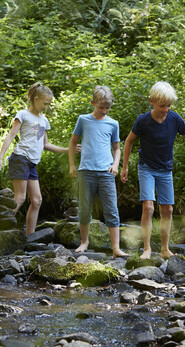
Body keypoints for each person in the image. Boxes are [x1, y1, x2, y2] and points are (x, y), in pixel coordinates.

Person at [121, 81, 185, 259]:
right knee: (148, 206)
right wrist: (125, 166)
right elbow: (129, 141)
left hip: (165, 170)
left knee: (167, 209)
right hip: (147, 168)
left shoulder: (175, 119)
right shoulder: (143, 120)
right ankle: (147, 249)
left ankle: (165, 248)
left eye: (169, 105)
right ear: (151, 101)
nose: (166, 109)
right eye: (162, 106)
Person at [0, 82, 73, 235]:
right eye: (45, 103)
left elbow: (46, 144)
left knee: (37, 201)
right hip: (20, 158)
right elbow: (10, 136)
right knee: (21, 197)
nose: (47, 107)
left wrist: (68, 150)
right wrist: (0, 158)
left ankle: (30, 237)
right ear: (36, 99)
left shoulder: (44, 120)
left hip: (32, 163)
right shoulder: (23, 115)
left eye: (49, 104)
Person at [68, 85, 128, 257]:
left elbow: (117, 148)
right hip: (86, 171)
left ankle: (116, 248)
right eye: (101, 107)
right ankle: (84, 242)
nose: (104, 110)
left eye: (107, 108)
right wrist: (72, 165)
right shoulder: (83, 120)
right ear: (93, 103)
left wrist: (116, 165)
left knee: (111, 209)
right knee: (85, 209)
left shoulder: (113, 124)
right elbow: (73, 142)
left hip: (106, 173)